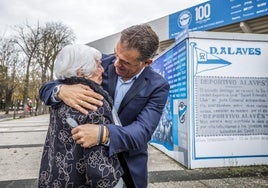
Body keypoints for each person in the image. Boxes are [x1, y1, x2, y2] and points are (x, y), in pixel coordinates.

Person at [39, 24, 170, 188]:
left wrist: (104, 133)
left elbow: (143, 131)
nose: (116, 64)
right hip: (85, 166)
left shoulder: (158, 86)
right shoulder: (98, 64)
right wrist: (60, 90)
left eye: (125, 62)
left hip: (129, 166)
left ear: (146, 62)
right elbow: (46, 87)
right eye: (116, 54)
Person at [38, 44, 124, 188]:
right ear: (81, 72)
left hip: (54, 177)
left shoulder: (59, 100)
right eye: (98, 66)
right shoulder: (91, 102)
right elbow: (99, 167)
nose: (103, 69)